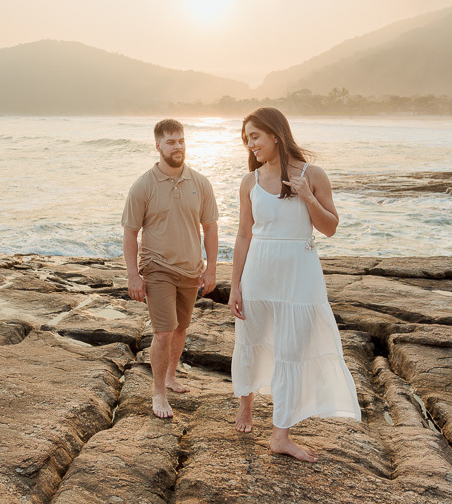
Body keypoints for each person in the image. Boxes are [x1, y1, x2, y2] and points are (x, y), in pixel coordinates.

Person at [229, 107, 361, 462]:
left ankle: (280, 435)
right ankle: (246, 407)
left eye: (254, 136)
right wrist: (234, 285)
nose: (250, 144)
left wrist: (308, 196)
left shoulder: (312, 174)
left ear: (275, 134)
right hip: (258, 271)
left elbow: (330, 227)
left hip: (299, 275)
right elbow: (243, 235)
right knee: (251, 341)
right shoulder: (250, 181)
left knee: (292, 351)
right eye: (247, 138)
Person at [122, 119, 219, 419]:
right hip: (157, 267)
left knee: (180, 329)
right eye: (171, 142)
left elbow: (211, 228)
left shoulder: (200, 182)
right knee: (163, 332)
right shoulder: (143, 186)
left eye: (181, 141)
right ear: (158, 146)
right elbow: (130, 233)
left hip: (191, 269)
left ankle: (170, 376)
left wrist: (211, 269)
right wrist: (133, 276)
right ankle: (159, 394)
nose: (177, 147)